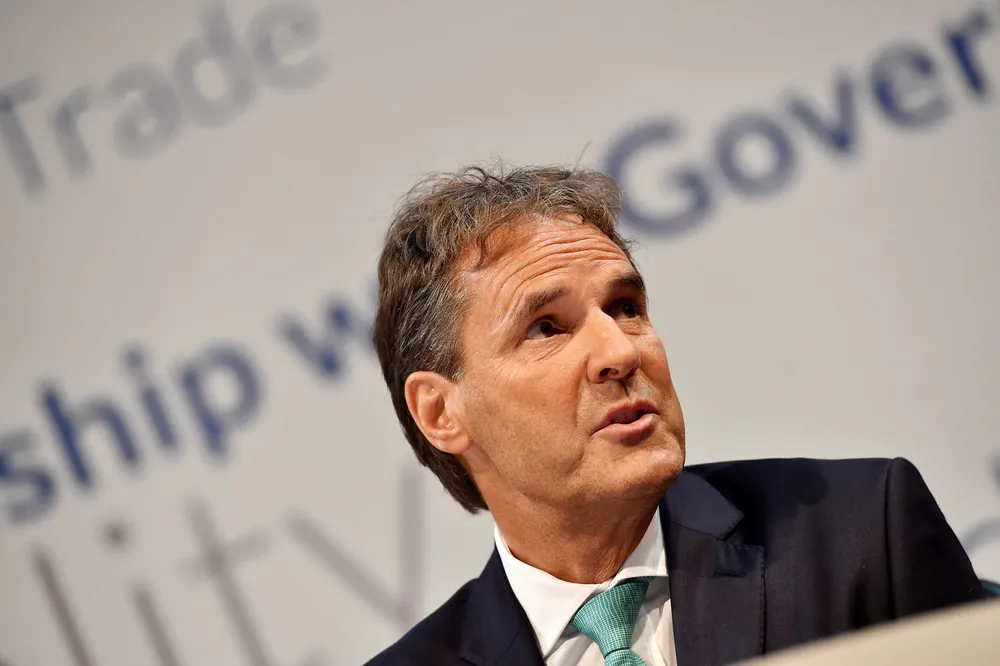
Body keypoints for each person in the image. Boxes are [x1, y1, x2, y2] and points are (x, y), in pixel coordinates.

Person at [364, 164, 987, 666]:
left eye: (626, 307)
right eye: (547, 327)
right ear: (441, 412)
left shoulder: (860, 533)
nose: (620, 352)